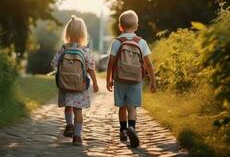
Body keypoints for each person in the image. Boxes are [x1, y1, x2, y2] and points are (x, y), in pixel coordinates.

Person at [106, 10, 156, 148]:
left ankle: (123, 130)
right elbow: (148, 64)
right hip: (135, 80)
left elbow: (110, 62)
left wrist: (108, 79)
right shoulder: (141, 42)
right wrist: (153, 80)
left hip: (120, 79)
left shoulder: (117, 42)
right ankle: (132, 127)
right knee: (132, 107)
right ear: (137, 26)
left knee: (122, 106)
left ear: (120, 27)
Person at [51, 15, 99, 146]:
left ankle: (69, 126)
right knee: (78, 111)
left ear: (67, 32)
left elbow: (53, 63)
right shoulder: (85, 50)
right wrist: (95, 82)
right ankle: (77, 137)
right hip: (80, 86)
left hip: (65, 85)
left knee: (68, 107)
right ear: (83, 33)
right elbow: (91, 68)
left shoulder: (63, 48)